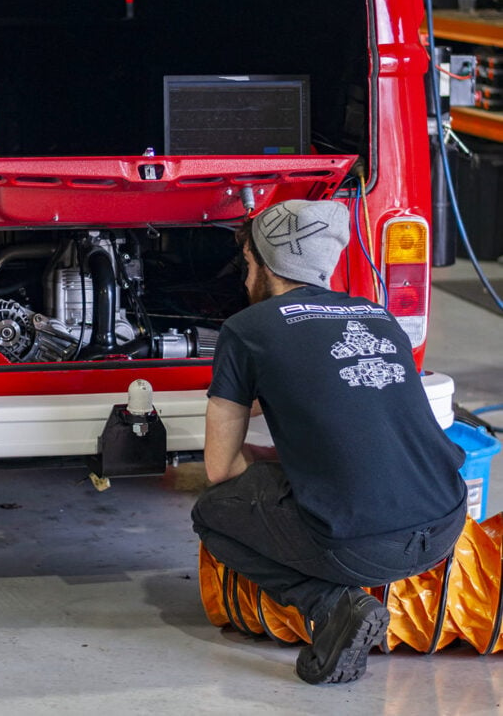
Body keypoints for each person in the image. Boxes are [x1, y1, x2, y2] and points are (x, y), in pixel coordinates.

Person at [192, 199, 467, 685]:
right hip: (446, 524)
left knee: (213, 510)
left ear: (264, 262)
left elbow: (220, 468)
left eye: (248, 264)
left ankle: (335, 606)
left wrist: (271, 461)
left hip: (362, 548)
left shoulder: (246, 329)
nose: (244, 277)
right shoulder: (378, 316)